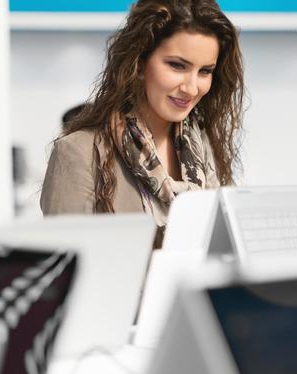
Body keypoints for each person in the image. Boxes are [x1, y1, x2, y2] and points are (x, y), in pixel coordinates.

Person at [40, 0, 244, 246]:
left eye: (205, 71)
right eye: (177, 66)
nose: (191, 87)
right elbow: (68, 271)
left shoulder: (203, 148)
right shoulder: (79, 153)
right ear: (139, 63)